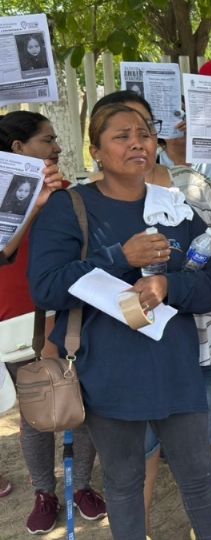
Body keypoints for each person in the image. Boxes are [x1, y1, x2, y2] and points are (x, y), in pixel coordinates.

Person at [28, 102, 211, 539]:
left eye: (144, 133)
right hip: (108, 371)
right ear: (96, 152)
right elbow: (46, 288)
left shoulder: (174, 207)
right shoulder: (71, 207)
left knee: (198, 476)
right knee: (123, 482)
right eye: (121, 136)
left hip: (175, 367)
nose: (137, 143)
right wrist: (120, 257)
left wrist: (168, 286)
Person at [0, 111, 105, 535]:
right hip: (14, 319)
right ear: (18, 148)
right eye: (48, 140)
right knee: (35, 412)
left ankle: (82, 486)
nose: (58, 147)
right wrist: (34, 207)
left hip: (67, 314)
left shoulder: (67, 194)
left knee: (79, 404)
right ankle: (44, 492)